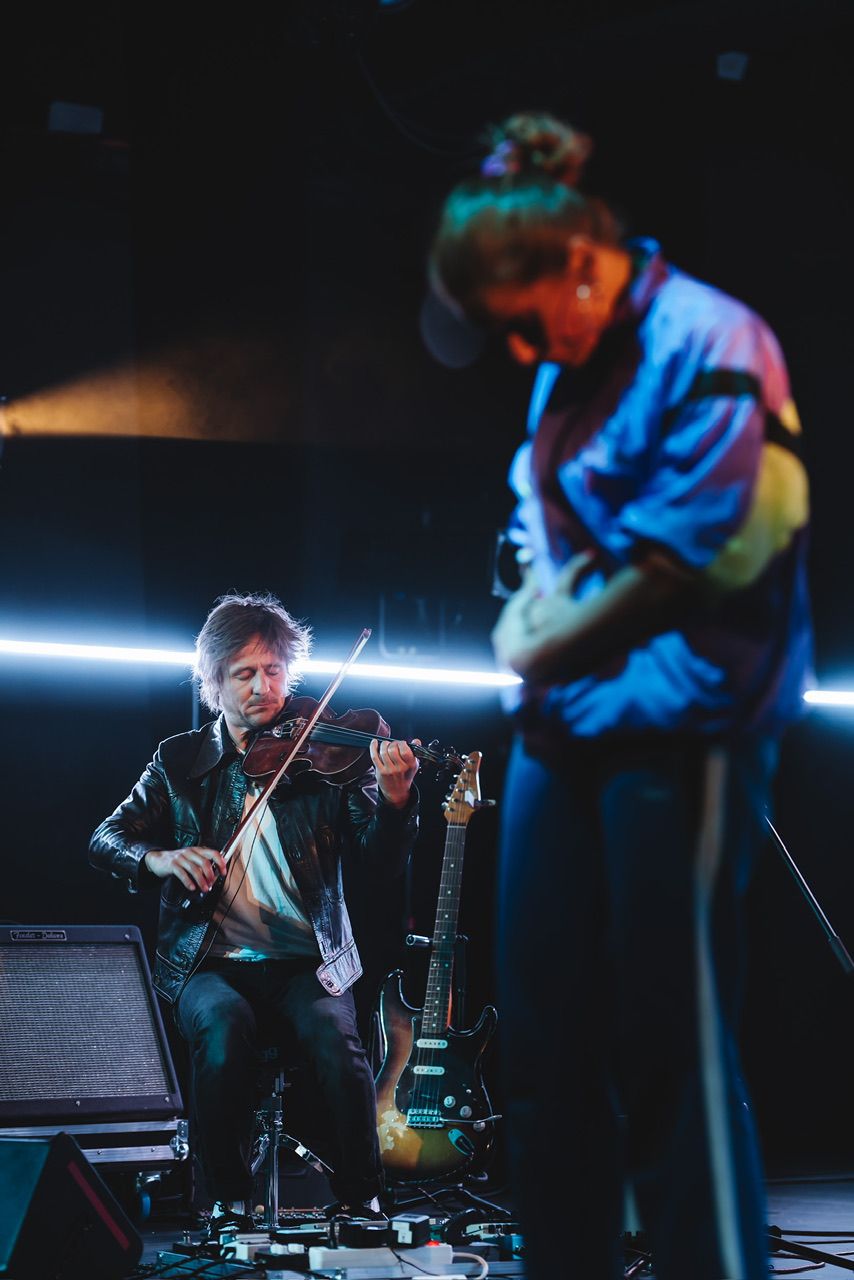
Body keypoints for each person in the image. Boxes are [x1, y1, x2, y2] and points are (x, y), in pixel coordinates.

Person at [429, 112, 813, 1280]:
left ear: (574, 266)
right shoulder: (564, 370)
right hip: (562, 732)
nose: (517, 351)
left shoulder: (712, 339)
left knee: (666, 1044)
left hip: (679, 729)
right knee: (544, 1049)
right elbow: (540, 538)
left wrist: (535, 632)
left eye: (521, 318)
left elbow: (697, 555)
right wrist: (526, 604)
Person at [90, 591, 420, 1236]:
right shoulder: (180, 761)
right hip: (207, 961)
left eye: (273, 671)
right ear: (214, 683)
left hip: (307, 958)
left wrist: (396, 800)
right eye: (244, 674)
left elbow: (380, 861)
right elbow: (108, 838)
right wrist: (158, 859)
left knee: (338, 1041)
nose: (263, 688)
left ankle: (363, 1199)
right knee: (219, 1026)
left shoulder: (325, 758)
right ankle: (224, 1201)